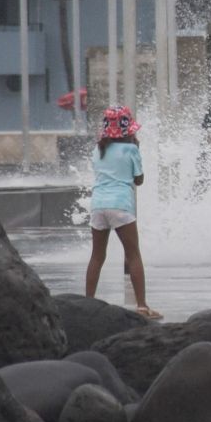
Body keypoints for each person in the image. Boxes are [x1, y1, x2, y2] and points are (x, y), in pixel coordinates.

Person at [85, 106, 160, 319]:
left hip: (98, 205)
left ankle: (87, 302)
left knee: (97, 256)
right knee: (133, 254)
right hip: (120, 205)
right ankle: (142, 306)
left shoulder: (97, 150)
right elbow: (139, 180)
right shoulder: (131, 150)